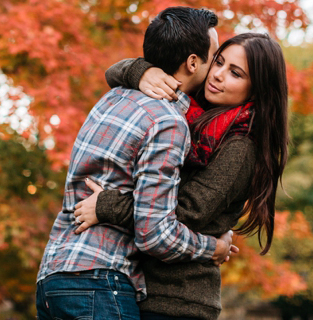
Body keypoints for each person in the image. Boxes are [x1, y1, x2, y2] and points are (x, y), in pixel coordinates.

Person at [73, 32, 290, 320]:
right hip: (137, 287)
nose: (218, 75)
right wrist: (142, 72)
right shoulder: (189, 111)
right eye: (219, 62)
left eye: (235, 73)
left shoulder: (241, 147)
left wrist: (108, 205)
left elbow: (181, 214)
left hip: (176, 300)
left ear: (257, 90)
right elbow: (114, 73)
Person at [36, 7, 235, 320]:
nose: (216, 71)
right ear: (193, 63)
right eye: (214, 58)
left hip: (53, 277)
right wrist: (213, 249)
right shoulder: (168, 122)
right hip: (100, 281)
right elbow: (155, 233)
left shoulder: (113, 97)